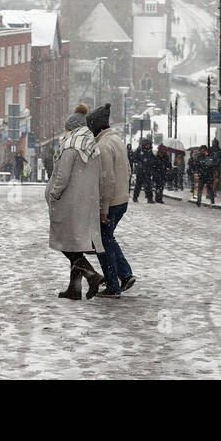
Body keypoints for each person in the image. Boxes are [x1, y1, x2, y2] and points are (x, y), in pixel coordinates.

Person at [46, 105, 106, 300]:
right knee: (75, 245)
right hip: (86, 202)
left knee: (65, 243)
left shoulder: (71, 145)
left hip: (69, 203)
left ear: (71, 128)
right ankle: (74, 288)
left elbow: (62, 177)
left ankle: (92, 275)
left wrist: (54, 194)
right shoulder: (91, 145)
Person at [90, 104, 134, 298]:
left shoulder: (103, 146)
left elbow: (107, 179)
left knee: (102, 243)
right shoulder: (117, 140)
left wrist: (103, 208)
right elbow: (128, 170)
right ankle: (125, 275)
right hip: (121, 199)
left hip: (111, 202)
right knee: (108, 238)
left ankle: (112, 285)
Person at [131, 138, 155, 203]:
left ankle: (150, 198)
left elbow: (153, 160)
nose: (148, 146)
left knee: (148, 185)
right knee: (138, 185)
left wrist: (151, 163)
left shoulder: (150, 151)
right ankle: (135, 197)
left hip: (147, 171)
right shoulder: (139, 150)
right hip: (140, 171)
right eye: (147, 145)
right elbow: (133, 158)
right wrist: (139, 163)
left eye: (149, 145)